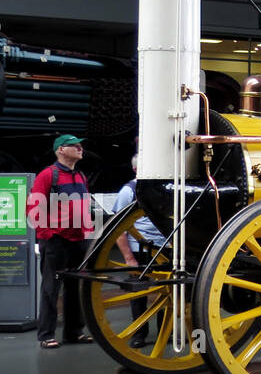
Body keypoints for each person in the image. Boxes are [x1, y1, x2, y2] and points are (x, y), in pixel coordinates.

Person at [27, 134, 97, 349]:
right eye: (74, 146)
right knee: (51, 288)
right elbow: (33, 207)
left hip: (78, 241)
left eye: (80, 146)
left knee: (75, 287)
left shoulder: (81, 175)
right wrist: (47, 233)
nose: (80, 148)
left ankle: (74, 332)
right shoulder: (48, 175)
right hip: (57, 241)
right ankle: (46, 335)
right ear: (60, 150)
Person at [113, 156, 165, 348]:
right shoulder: (128, 191)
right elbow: (118, 229)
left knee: (167, 292)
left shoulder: (164, 189)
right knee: (138, 294)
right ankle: (139, 334)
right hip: (140, 250)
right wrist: (128, 257)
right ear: (136, 169)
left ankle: (164, 331)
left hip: (164, 249)